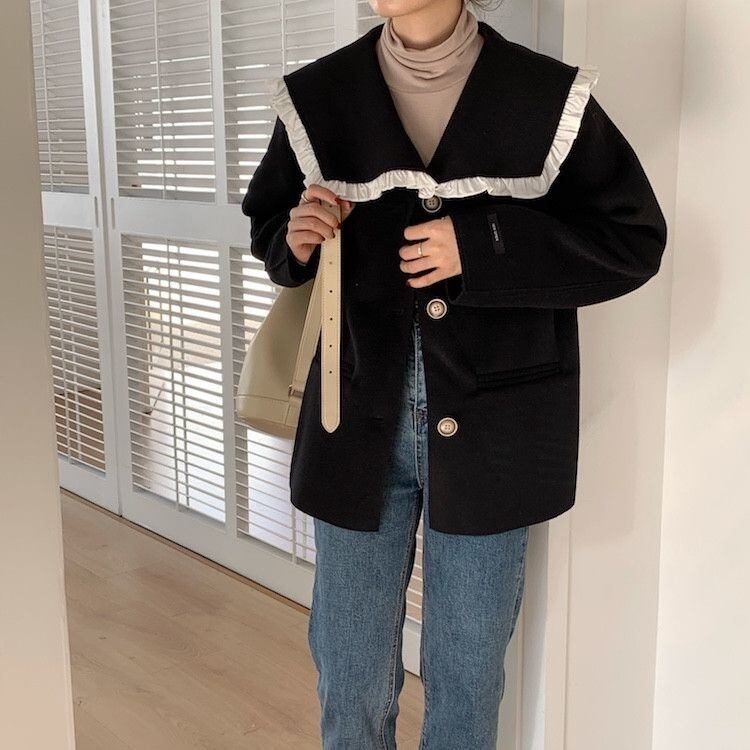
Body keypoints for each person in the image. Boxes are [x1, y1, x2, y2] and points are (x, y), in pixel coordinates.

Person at [241, 1, 668, 747]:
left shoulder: (544, 95)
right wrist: (297, 239)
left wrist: (482, 243)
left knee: (468, 680)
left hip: (497, 428)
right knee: (348, 673)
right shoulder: (319, 95)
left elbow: (632, 239)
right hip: (353, 416)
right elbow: (273, 231)